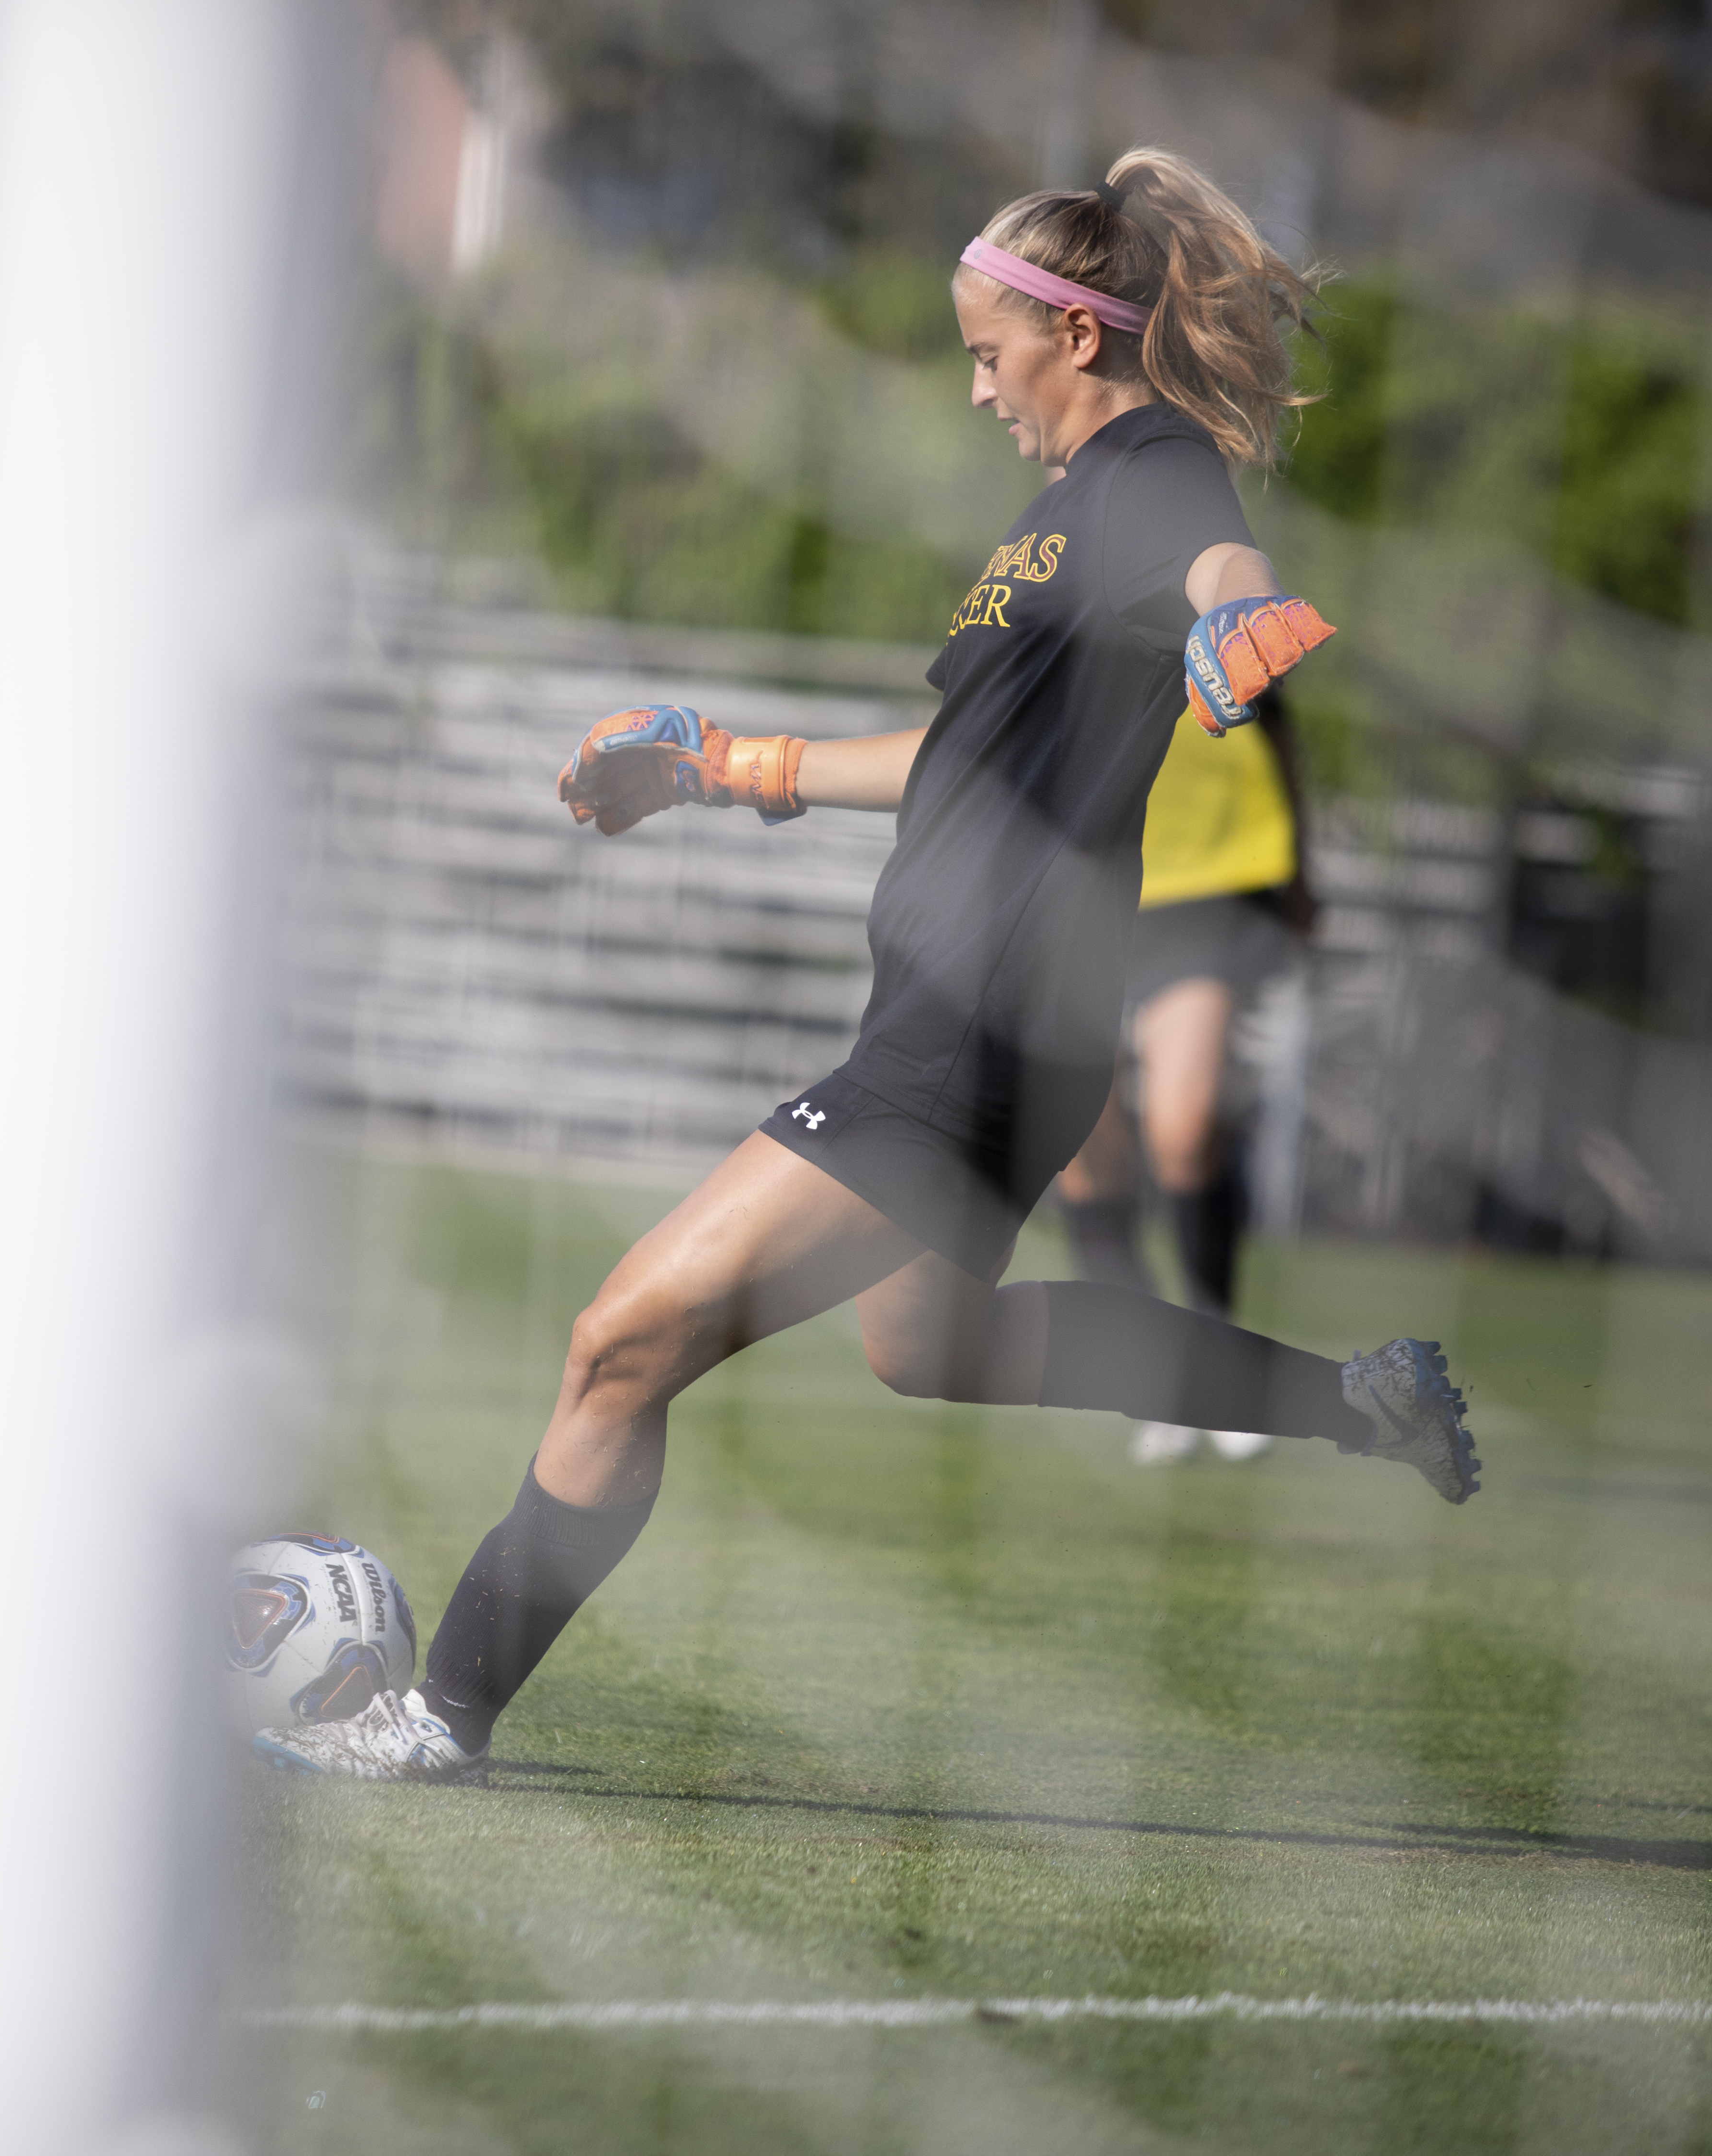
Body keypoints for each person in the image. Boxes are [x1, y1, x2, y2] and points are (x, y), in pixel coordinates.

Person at [259, 148, 1479, 1785]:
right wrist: (726, 763)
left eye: (992, 352)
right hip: (985, 1022)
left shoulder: (1149, 473)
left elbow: (1223, 564)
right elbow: (955, 756)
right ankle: (1359, 1403)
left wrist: (1240, 621)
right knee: (932, 1349)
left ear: (1078, 337)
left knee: (621, 1341)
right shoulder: (1058, 521)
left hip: (975, 1027)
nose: (980, 389)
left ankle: (438, 1720)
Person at [1057, 678, 1315, 1465]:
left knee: (1185, 1122)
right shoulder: (1043, 583)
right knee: (1076, 1146)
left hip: (1200, 883)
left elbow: (1276, 732)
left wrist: (1302, 868)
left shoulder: (1214, 587)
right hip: (1069, 889)